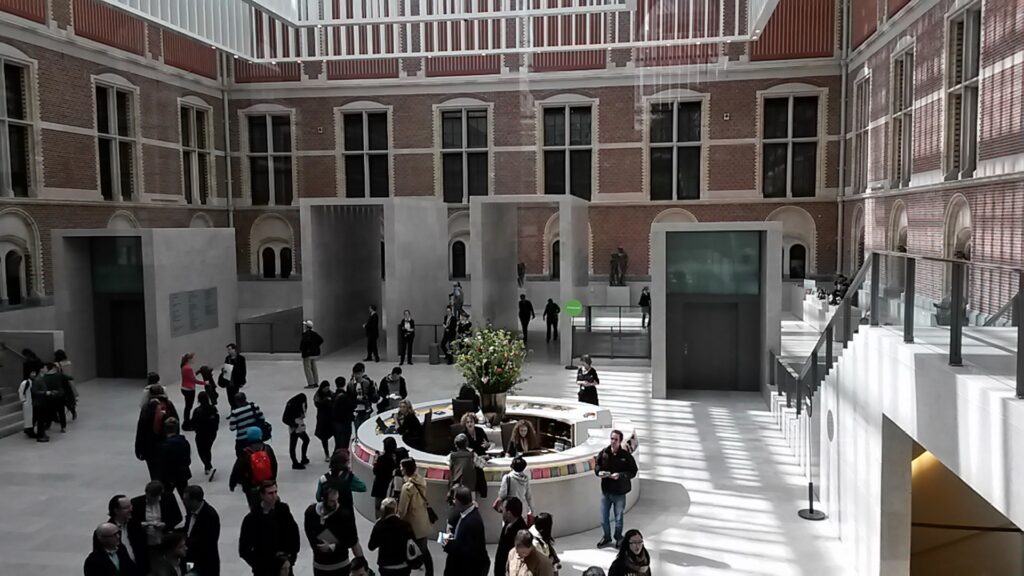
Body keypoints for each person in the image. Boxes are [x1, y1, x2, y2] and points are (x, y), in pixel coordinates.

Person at [239, 481, 301, 576]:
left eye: (276, 492)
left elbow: (294, 537)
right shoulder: (251, 519)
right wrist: (258, 565)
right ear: (262, 495)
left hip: (284, 566)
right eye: (270, 493)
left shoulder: (283, 512)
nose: (274, 496)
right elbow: (244, 550)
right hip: (263, 568)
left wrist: (290, 560)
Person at [304, 479, 362, 575]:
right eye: (332, 501)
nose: (335, 504)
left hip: (340, 565)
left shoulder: (344, 514)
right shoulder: (311, 513)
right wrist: (317, 545)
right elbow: (309, 533)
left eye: (337, 500)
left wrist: (332, 547)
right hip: (320, 565)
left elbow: (352, 540)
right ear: (323, 499)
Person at [595, 430, 638, 549]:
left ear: (620, 441)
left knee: (618, 518)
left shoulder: (625, 456)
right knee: (604, 519)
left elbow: (633, 471)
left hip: (619, 492)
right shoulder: (604, 453)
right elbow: (597, 466)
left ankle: (618, 537)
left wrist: (620, 475)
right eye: (612, 439)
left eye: (616, 440)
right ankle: (607, 537)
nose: (613, 442)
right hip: (606, 491)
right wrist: (599, 472)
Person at [129, 481, 182, 572]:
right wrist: (141, 525)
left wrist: (165, 525)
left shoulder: (169, 499)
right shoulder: (136, 503)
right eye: (149, 497)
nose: (151, 500)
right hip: (146, 543)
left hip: (163, 540)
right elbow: (130, 522)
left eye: (154, 498)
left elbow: (177, 517)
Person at [397, 458, 434, 576]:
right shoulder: (421, 480)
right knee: (424, 549)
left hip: (412, 524)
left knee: (412, 549)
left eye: (402, 467)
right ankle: (429, 572)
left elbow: (402, 510)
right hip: (423, 519)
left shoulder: (407, 487)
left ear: (406, 469)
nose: (400, 469)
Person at [442, 485, 489, 576]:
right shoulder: (465, 514)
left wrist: (448, 545)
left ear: (460, 502)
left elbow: (468, 551)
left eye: (455, 499)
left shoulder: (472, 522)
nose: (454, 502)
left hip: (465, 569)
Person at [230, 426, 279, 510]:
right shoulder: (267, 449)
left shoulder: (245, 452)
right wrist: (273, 479)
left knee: (255, 508)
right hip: (268, 484)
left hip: (252, 487)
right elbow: (274, 465)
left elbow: (237, 469)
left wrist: (232, 483)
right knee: (271, 505)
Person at [369, 497, 416, 576]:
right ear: (396, 510)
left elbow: (371, 546)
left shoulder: (379, 526)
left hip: (386, 567)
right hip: (403, 566)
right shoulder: (405, 526)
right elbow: (412, 544)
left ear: (382, 510)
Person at [136, 389, 177, 479]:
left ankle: (157, 487)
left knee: (154, 471)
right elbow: (175, 424)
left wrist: (138, 448)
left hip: (151, 446)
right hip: (166, 443)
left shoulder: (147, 408)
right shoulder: (168, 405)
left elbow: (141, 429)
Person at [183, 485, 221, 576]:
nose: (184, 503)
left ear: (194, 500)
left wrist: (184, 542)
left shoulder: (210, 516)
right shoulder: (191, 511)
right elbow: (188, 529)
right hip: (190, 560)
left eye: (186, 500)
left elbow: (207, 541)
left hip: (205, 562)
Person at [156, 417, 192, 498]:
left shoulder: (164, 445)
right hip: (182, 475)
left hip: (168, 477)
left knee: (165, 499)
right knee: (185, 497)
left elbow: (162, 463)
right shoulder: (184, 442)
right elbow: (188, 460)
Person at [494, 497, 527, 576]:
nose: (501, 510)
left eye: (504, 508)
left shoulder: (521, 533)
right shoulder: (508, 522)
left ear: (509, 513)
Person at [192, 391, 220, 480]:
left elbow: (193, 423)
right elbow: (216, 419)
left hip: (201, 434)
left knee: (201, 450)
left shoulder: (197, 411)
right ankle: (208, 465)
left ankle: (208, 465)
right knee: (207, 449)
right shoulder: (213, 409)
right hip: (211, 433)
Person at [106, 494, 139, 565]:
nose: (131, 509)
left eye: (130, 506)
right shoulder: (106, 532)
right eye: (126, 507)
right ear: (116, 511)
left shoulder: (135, 524)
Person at [372, 437, 400, 516]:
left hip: (379, 487)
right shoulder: (395, 460)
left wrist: (375, 461)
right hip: (389, 487)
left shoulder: (381, 459)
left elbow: (375, 471)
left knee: (378, 508)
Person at [283, 393, 311, 470]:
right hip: (294, 426)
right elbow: (284, 419)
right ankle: (296, 462)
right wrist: (293, 424)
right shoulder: (291, 405)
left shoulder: (298, 402)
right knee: (294, 444)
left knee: (304, 441)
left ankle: (301, 459)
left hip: (299, 424)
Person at [348, 363, 379, 429]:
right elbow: (349, 397)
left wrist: (368, 397)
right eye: (356, 374)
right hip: (356, 409)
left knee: (366, 427)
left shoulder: (367, 382)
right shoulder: (350, 384)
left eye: (359, 374)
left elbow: (372, 395)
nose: (358, 376)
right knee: (357, 427)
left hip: (366, 408)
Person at [313, 381, 336, 461]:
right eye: (325, 388)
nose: (327, 389)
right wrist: (325, 401)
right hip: (322, 419)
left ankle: (336, 453)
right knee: (324, 437)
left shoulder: (332, 394)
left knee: (336, 434)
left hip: (331, 418)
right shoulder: (318, 395)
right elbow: (317, 404)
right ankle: (327, 454)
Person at [180, 352, 204, 429]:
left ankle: (186, 421)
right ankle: (186, 423)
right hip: (189, 389)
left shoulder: (184, 366)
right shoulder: (188, 368)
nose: (194, 360)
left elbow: (190, 377)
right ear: (189, 359)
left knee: (187, 406)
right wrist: (204, 383)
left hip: (185, 387)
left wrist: (198, 372)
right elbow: (193, 380)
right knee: (188, 407)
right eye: (193, 358)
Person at [220, 343, 247, 409]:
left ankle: (236, 410)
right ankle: (233, 410)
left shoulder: (241, 358)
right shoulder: (227, 358)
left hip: (236, 380)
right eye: (228, 350)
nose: (228, 351)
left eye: (230, 349)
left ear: (234, 350)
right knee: (230, 398)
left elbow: (243, 370)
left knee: (235, 396)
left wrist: (242, 381)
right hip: (228, 380)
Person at [54, 349, 78, 421]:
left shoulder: (57, 364)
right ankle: (73, 411)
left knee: (61, 400)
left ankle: (59, 416)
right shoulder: (69, 362)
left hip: (62, 383)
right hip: (69, 383)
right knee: (70, 399)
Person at [332, 377, 355, 452]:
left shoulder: (333, 396)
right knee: (345, 442)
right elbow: (352, 406)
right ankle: (342, 456)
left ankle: (337, 456)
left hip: (336, 422)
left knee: (338, 442)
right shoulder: (346, 396)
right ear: (344, 384)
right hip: (345, 422)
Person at [300, 320, 325, 389]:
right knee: (314, 368)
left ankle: (311, 383)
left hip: (308, 354)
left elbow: (303, 344)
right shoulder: (315, 334)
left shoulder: (305, 334)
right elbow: (321, 340)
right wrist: (315, 347)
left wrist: (303, 349)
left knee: (307, 368)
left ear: (307, 327)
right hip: (315, 354)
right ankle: (316, 382)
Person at [17, 365, 36, 438]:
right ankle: (29, 431)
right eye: (32, 373)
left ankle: (29, 430)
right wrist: (23, 401)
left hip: (31, 402)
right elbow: (20, 392)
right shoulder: (25, 382)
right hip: (28, 403)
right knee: (29, 418)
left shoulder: (31, 381)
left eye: (34, 372)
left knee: (31, 418)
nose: (34, 374)